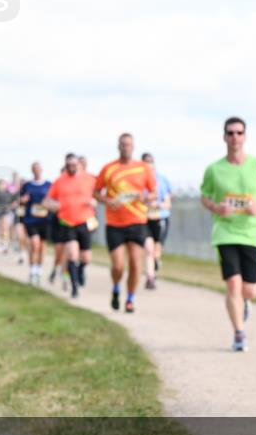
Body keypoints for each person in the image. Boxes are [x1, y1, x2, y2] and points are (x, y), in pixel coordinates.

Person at [201, 117, 256, 351]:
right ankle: (239, 333)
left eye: (239, 132)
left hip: (253, 233)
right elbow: (205, 196)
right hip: (225, 232)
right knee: (233, 284)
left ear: (244, 137)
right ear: (224, 137)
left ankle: (245, 303)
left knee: (250, 289)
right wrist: (216, 207)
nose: (235, 137)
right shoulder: (214, 169)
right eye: (230, 133)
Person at [94, 133, 156, 313]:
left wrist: (144, 197)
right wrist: (107, 201)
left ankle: (130, 299)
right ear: (118, 146)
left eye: (128, 145)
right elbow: (96, 192)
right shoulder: (108, 169)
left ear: (133, 146)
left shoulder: (143, 168)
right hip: (115, 223)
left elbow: (153, 193)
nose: (125, 148)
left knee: (136, 265)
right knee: (118, 265)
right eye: (122, 145)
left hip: (137, 221)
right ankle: (115, 288)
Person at [44, 154, 98, 298]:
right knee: (72, 254)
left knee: (86, 258)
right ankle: (74, 287)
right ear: (66, 165)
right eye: (69, 165)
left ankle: (80, 270)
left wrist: (94, 202)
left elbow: (100, 194)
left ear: (78, 165)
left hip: (85, 221)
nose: (72, 168)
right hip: (67, 223)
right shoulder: (59, 181)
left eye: (74, 165)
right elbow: (47, 201)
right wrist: (53, 205)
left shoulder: (89, 179)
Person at [141, 152, 173, 290]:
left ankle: (156, 262)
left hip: (160, 218)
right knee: (148, 249)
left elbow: (167, 203)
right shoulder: (138, 181)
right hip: (144, 219)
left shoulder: (162, 180)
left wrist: (156, 205)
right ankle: (150, 278)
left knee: (156, 249)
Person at [20, 162, 53, 285]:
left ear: (42, 170)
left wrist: (49, 203)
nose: (37, 171)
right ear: (32, 171)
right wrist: (23, 200)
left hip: (44, 220)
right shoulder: (27, 185)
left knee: (42, 247)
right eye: (34, 169)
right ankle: (32, 270)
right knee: (34, 244)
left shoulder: (49, 185)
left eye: (39, 169)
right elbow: (19, 200)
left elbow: (54, 199)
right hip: (31, 220)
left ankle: (39, 270)